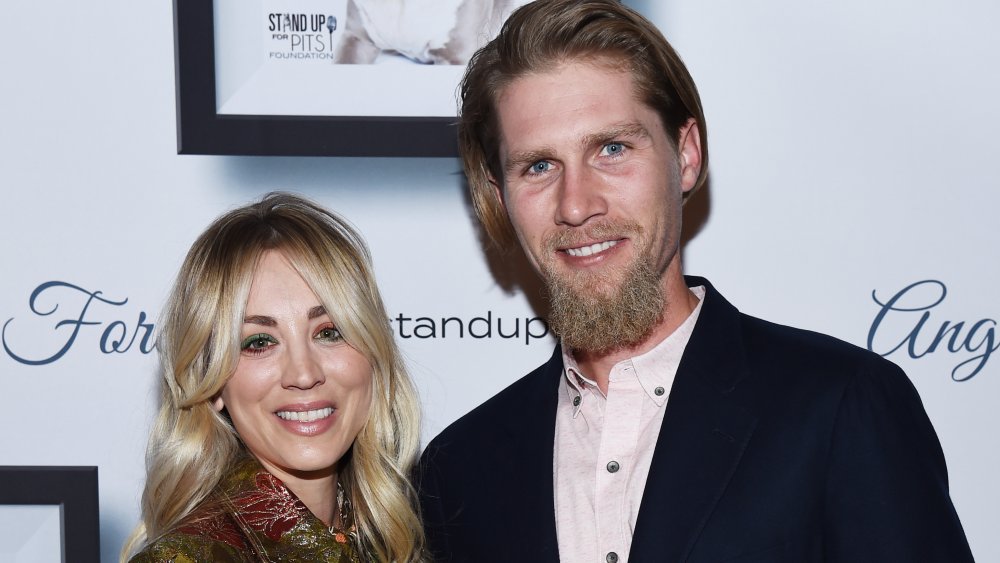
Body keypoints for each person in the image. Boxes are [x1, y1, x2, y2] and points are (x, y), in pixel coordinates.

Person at [417, 1, 975, 562]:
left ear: (685, 154)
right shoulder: (460, 469)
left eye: (612, 149)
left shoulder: (840, 407)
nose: (576, 204)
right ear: (498, 194)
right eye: (539, 166)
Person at [122, 193, 424, 562]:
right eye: (259, 342)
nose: (304, 373)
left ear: (373, 354)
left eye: (329, 332)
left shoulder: (391, 539)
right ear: (212, 380)